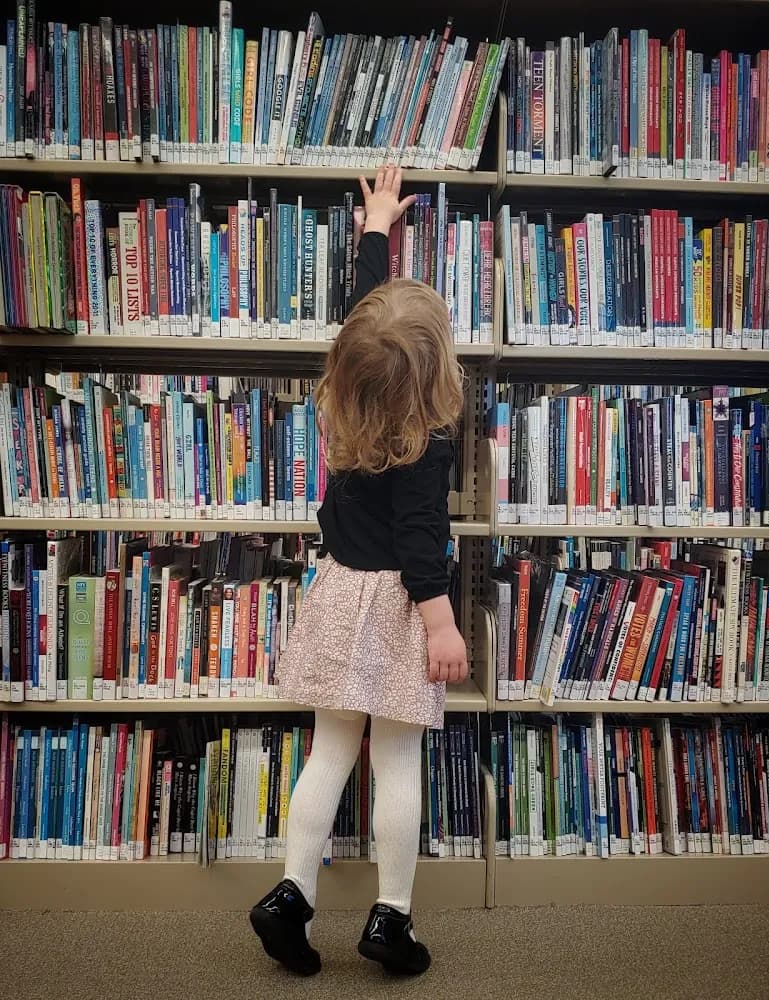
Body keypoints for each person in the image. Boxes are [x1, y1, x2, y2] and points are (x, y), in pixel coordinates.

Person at [249, 165, 468, 978]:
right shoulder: (428, 437)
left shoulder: (348, 392)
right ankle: (391, 919)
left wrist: (375, 228)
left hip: (341, 593)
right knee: (398, 761)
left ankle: (289, 896)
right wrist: (442, 627)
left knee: (328, 754)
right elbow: (422, 544)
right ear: (437, 368)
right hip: (405, 609)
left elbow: (362, 317)